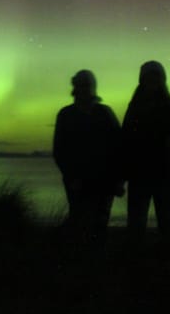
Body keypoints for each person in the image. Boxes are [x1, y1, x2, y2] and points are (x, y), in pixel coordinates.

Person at [121, 61, 170, 240]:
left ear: (162, 81)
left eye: (156, 77)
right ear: (142, 81)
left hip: (164, 173)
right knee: (136, 227)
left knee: (167, 226)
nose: (152, 81)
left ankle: (166, 263)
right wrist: (120, 177)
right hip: (139, 175)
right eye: (148, 78)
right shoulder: (134, 109)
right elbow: (123, 143)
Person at [53, 69, 124, 244]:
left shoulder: (105, 113)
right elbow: (60, 151)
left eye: (86, 85)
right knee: (79, 223)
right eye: (80, 85)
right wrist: (71, 177)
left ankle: (95, 263)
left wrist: (119, 180)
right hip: (78, 182)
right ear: (75, 88)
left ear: (92, 88)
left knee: (99, 225)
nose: (83, 89)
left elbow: (119, 148)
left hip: (104, 181)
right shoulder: (66, 115)